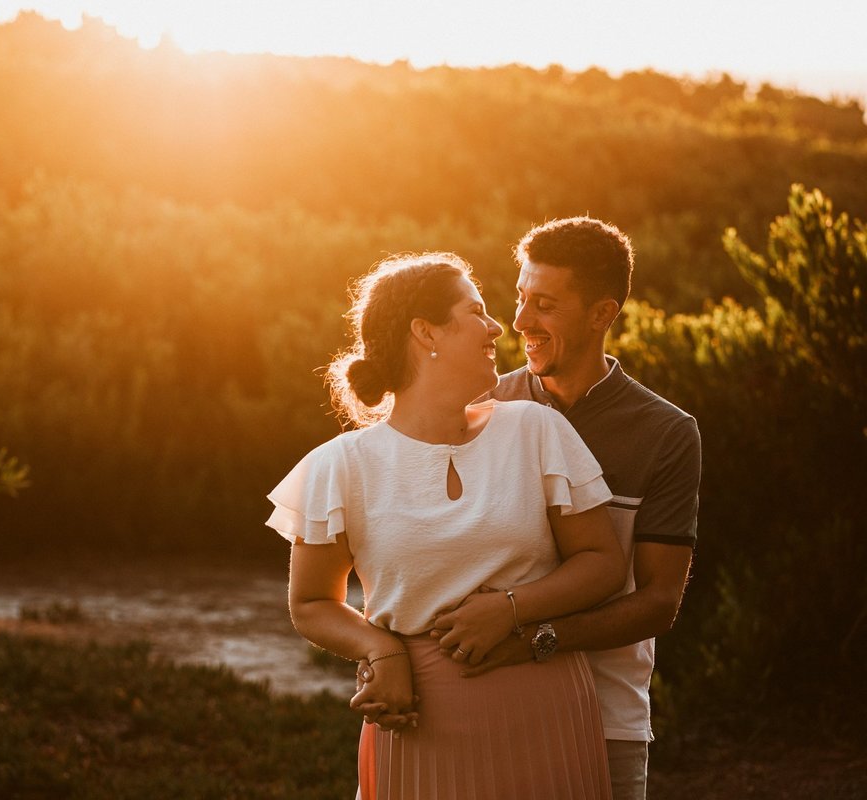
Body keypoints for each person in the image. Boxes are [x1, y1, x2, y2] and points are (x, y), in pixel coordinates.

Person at [266, 252, 626, 799]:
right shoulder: (341, 465)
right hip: (418, 722)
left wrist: (509, 609)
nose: (496, 326)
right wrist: (379, 651)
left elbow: (602, 564)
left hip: (546, 715)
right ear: (425, 331)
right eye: (476, 311)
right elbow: (311, 601)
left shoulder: (536, 431)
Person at [431, 218, 700, 800]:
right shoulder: (476, 408)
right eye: (521, 297)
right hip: (478, 704)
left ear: (603, 313)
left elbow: (657, 602)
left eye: (545, 304)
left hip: (607, 720)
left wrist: (533, 636)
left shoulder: (667, 433)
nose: (521, 320)